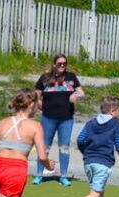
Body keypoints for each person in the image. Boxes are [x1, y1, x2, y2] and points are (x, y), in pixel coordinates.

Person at [32, 54, 84, 186]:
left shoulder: (71, 77)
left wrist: (75, 95)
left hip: (66, 118)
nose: (62, 66)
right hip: (48, 117)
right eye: (60, 63)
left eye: (64, 63)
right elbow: (35, 95)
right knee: (44, 147)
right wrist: (39, 106)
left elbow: (81, 92)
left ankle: (64, 176)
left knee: (64, 147)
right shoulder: (45, 78)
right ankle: (39, 174)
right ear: (54, 64)